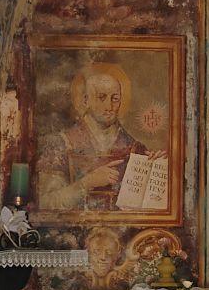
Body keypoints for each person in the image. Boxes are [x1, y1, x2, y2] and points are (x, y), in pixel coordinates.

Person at [36, 69, 152, 212]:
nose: (109, 107)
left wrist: (154, 167)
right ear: (86, 100)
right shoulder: (61, 145)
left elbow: (145, 208)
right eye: (101, 98)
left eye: (115, 99)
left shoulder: (135, 149)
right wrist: (87, 183)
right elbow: (46, 203)